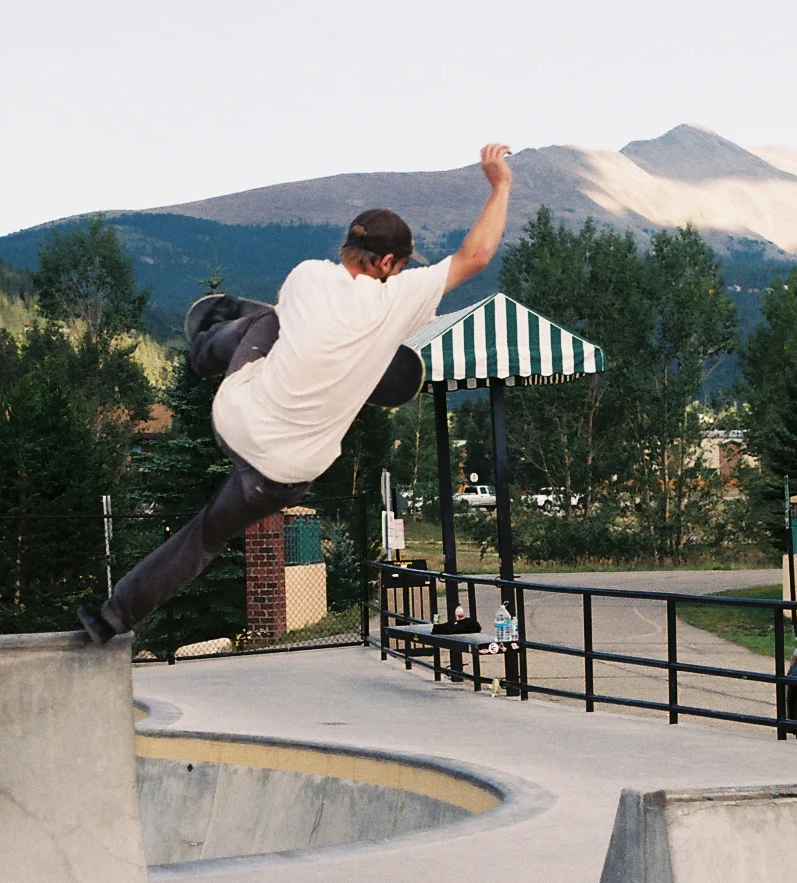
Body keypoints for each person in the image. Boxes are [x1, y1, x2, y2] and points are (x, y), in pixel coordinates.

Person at [79, 143, 514, 645]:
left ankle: (203, 352)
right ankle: (112, 618)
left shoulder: (306, 275)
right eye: (398, 266)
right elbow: (477, 255)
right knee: (206, 536)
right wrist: (500, 184)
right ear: (387, 263)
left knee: (269, 321)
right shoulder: (401, 297)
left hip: (236, 422)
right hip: (286, 477)